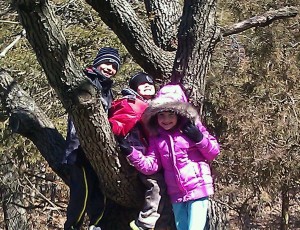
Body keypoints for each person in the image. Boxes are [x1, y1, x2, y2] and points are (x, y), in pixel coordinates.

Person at [119, 84, 220, 230]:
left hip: (198, 187)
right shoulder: (157, 138)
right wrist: (131, 152)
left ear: (179, 113)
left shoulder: (191, 129)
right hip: (176, 194)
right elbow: (151, 166)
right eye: (161, 114)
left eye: (171, 114)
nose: (166, 119)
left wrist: (199, 138)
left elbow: (213, 152)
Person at [63, 47, 121, 230]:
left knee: (99, 194)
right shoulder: (86, 81)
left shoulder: (108, 90)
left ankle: (96, 225)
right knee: (81, 194)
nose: (110, 68)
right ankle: (73, 226)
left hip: (99, 153)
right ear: (97, 63)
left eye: (114, 66)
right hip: (79, 149)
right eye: (106, 63)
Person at [109, 72, 174, 230]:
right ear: (133, 88)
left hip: (150, 156)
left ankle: (161, 225)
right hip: (137, 154)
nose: (147, 85)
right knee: (157, 185)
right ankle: (144, 224)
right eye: (141, 83)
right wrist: (119, 136)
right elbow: (117, 122)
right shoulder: (130, 103)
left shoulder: (157, 109)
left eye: (150, 84)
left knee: (163, 189)